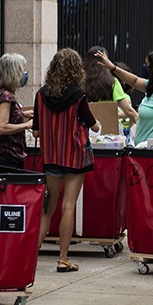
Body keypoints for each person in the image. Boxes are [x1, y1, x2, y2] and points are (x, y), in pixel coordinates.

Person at [33, 48, 101, 272]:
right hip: (74, 157)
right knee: (68, 206)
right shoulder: (79, 96)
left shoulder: (41, 95)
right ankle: (63, 258)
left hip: (51, 157)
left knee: (47, 209)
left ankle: (30, 255)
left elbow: (35, 133)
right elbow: (94, 125)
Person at [95, 49, 153, 146]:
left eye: (147, 65)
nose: (145, 68)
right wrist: (113, 68)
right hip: (145, 150)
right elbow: (134, 81)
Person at [0, 53, 33, 169]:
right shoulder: (6, 96)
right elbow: (1, 127)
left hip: (8, 155)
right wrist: (27, 125)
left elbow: (3, 116)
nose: (25, 73)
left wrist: (22, 113)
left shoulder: (0, 92)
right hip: (5, 156)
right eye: (22, 69)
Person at [83, 46, 139, 126]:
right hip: (108, 130)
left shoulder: (80, 81)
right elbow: (129, 111)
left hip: (85, 129)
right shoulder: (112, 82)